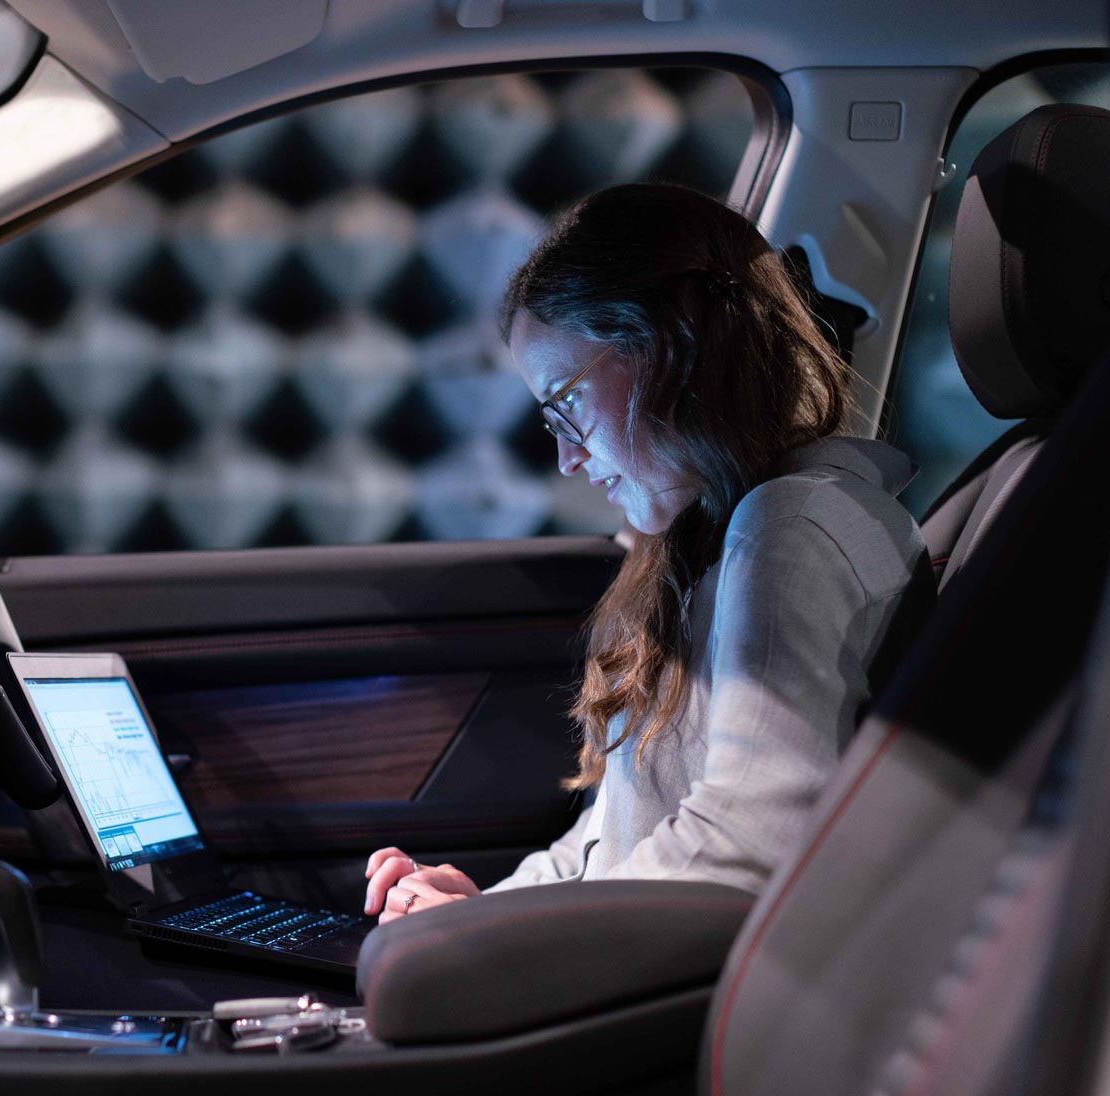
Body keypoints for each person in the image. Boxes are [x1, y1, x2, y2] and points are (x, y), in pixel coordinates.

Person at [364, 183, 928, 924]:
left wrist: (503, 945)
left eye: (566, 405)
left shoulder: (790, 526)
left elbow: (748, 845)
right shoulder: (699, 544)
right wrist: (474, 918)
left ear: (673, 351)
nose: (566, 458)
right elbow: (605, 845)